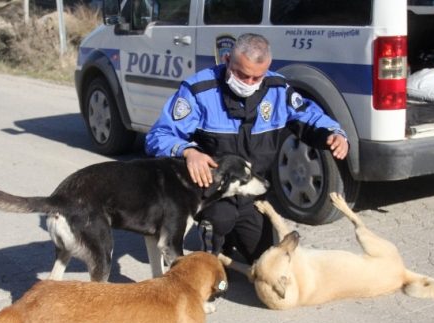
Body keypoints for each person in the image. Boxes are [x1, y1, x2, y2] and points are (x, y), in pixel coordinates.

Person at [145, 33, 348, 263]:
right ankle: (210, 252)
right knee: (221, 220)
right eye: (242, 74)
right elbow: (158, 136)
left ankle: (232, 238)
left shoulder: (278, 89)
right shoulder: (198, 91)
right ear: (227, 59)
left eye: (256, 77)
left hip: (252, 190)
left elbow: (309, 116)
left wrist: (335, 134)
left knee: (264, 260)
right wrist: (188, 152)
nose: (249, 83)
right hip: (213, 193)